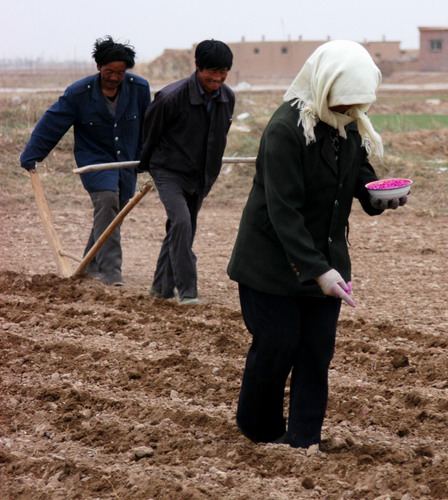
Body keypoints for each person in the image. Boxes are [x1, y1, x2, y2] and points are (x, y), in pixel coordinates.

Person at [227, 40, 407, 455]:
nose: (352, 113)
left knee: (316, 350)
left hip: (326, 256)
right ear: (325, 88)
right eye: (345, 105)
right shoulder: (285, 130)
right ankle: (260, 430)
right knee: (277, 345)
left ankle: (304, 439)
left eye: (357, 106)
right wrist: (319, 271)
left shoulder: (349, 125)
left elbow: (358, 175)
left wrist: (379, 196)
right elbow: (283, 211)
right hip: (271, 262)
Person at [20, 36, 150, 286]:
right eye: (109, 71)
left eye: (120, 72)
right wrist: (32, 155)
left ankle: (89, 264)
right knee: (108, 200)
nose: (114, 77)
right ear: (99, 67)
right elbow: (52, 123)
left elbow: (149, 126)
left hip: (126, 161)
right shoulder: (79, 93)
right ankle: (111, 271)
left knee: (115, 212)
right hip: (95, 159)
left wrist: (148, 157)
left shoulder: (139, 89)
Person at [138, 39, 234, 305]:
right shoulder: (171, 97)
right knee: (181, 223)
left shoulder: (227, 97)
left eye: (223, 71)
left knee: (180, 230)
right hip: (168, 170)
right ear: (198, 67)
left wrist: (210, 173)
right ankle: (188, 291)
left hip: (201, 174)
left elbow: (219, 138)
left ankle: (160, 288)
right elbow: (150, 133)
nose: (217, 77)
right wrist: (146, 165)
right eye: (211, 71)